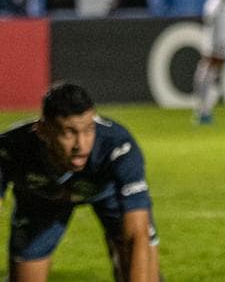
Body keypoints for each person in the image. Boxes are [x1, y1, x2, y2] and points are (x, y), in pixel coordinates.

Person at [0, 82, 160, 282]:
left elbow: (136, 234)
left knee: (145, 274)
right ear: (43, 130)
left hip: (107, 193)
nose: (81, 144)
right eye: (69, 132)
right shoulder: (11, 148)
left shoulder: (117, 145)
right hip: (40, 199)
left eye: (88, 130)